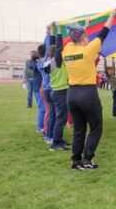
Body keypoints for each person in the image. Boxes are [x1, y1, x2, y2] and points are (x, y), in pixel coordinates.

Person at [63, 9, 116, 170]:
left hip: (72, 94)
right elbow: (104, 32)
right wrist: (112, 16)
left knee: (79, 130)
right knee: (96, 127)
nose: (88, 38)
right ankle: (87, 159)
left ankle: (76, 161)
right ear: (82, 38)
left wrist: (84, 27)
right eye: (86, 36)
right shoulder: (88, 50)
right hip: (87, 93)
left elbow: (75, 37)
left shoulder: (67, 50)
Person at [48, 23, 70, 151]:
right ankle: (56, 143)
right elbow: (58, 47)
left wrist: (52, 31)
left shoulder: (50, 60)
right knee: (61, 118)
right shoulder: (57, 61)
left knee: (60, 117)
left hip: (57, 91)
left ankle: (59, 140)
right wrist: (60, 31)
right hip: (60, 92)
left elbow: (51, 47)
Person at [37, 39, 55, 145]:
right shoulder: (45, 61)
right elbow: (48, 46)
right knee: (49, 112)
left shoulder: (41, 62)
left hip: (45, 88)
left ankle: (46, 130)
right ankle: (46, 131)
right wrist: (49, 34)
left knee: (49, 111)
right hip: (47, 88)